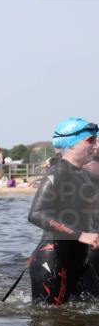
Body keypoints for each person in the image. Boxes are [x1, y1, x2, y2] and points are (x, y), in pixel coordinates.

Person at [26, 117, 99, 305]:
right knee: (52, 320)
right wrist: (81, 235)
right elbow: (36, 214)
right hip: (53, 262)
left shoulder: (84, 175)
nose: (96, 145)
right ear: (72, 144)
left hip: (81, 261)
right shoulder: (57, 173)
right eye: (90, 140)